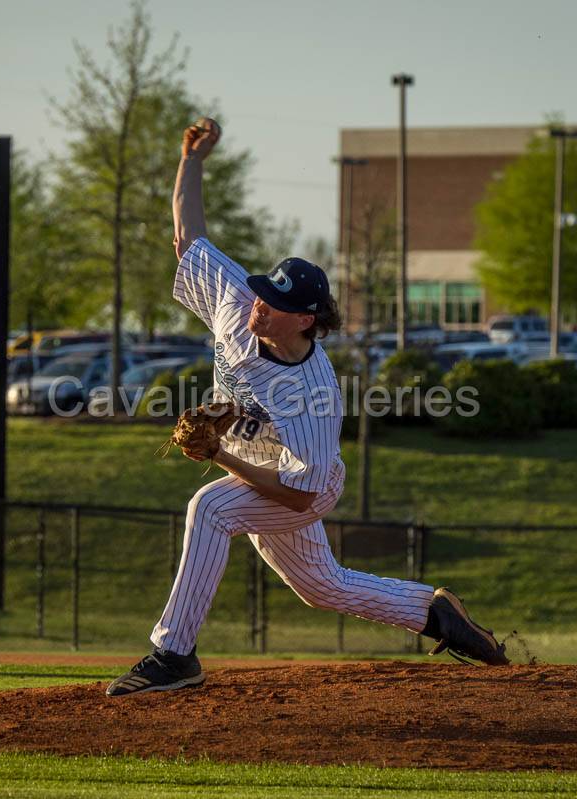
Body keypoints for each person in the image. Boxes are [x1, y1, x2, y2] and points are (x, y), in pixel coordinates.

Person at [106, 118, 508, 697]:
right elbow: (186, 236)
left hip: (305, 486)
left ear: (306, 320)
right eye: (264, 293)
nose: (260, 305)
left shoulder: (312, 396)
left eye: (276, 303)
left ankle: (174, 655)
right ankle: (436, 613)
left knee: (211, 509)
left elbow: (298, 495)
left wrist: (220, 453)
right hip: (262, 463)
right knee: (324, 587)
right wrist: (191, 159)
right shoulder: (239, 302)